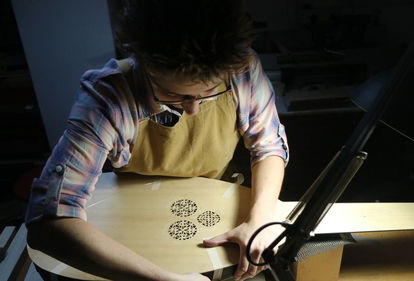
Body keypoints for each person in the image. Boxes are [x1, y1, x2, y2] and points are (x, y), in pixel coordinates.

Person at [25, 0, 289, 280]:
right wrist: (161, 279)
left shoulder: (241, 70)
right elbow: (46, 222)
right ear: (144, 65)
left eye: (209, 91)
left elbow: (268, 147)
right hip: (133, 213)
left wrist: (260, 219)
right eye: (174, 95)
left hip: (211, 203)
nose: (193, 109)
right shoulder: (107, 97)